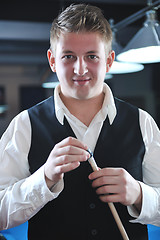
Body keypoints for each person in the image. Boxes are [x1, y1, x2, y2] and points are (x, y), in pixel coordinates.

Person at [0, 3, 160, 240]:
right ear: (52, 60)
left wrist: (138, 194)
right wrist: (43, 178)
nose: (80, 68)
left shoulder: (143, 123)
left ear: (109, 60)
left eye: (92, 56)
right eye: (68, 56)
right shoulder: (24, 125)